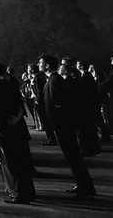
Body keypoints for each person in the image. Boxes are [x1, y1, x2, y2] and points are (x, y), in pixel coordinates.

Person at [40, 53, 96, 199]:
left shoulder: (55, 80)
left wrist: (61, 121)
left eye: (41, 63)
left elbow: (61, 103)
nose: (38, 65)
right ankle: (83, 184)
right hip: (61, 125)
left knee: (73, 157)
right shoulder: (53, 79)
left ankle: (86, 187)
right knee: (72, 157)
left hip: (63, 125)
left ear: (46, 65)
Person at [0, 60, 36, 204]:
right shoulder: (10, 84)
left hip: (7, 131)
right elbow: (19, 104)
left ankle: (20, 194)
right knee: (22, 161)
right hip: (17, 128)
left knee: (14, 163)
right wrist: (18, 117)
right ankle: (28, 192)